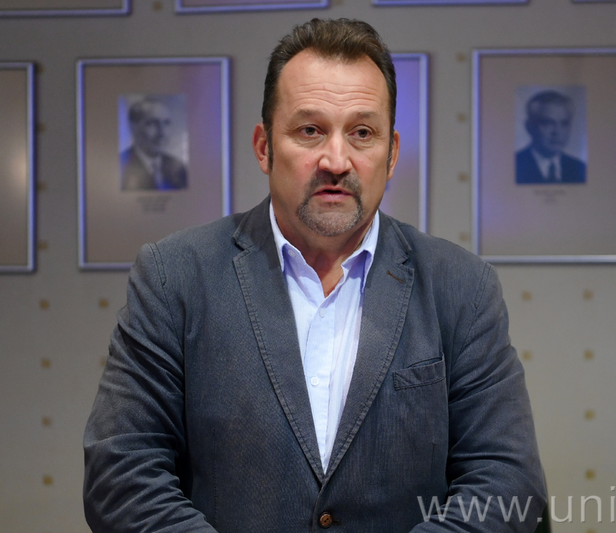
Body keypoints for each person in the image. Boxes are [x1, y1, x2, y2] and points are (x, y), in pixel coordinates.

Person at [84, 18, 546, 533]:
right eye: (310, 131)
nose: (336, 160)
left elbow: (506, 481)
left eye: (362, 133)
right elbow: (122, 474)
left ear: (392, 154)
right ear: (264, 146)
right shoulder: (175, 277)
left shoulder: (461, 287)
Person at [516, 90, 586, 184]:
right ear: (529, 126)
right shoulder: (515, 165)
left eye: (564, 123)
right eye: (547, 123)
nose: (557, 132)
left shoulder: (580, 169)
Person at [120, 96, 188, 191]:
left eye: (166, 123)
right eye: (152, 124)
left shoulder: (178, 168)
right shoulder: (121, 165)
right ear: (133, 127)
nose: (162, 133)